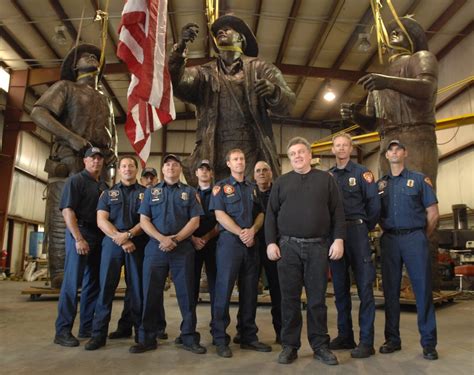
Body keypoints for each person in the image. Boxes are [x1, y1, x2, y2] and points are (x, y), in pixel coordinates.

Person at [340, 16, 440, 289]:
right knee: (387, 205)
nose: (392, 37)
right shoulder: (379, 80)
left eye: (398, 33)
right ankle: (395, 279)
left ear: (412, 37)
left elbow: (426, 87)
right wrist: (357, 116)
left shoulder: (421, 57)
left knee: (417, 203)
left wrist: (387, 81)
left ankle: (424, 280)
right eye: (390, 33)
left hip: (416, 136)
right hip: (387, 140)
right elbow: (374, 122)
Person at [168, 15, 295, 185]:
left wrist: (274, 91)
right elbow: (176, 82)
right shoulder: (204, 73)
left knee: (252, 199)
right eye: (219, 31)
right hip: (214, 149)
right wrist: (179, 50)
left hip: (252, 150)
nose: (221, 31)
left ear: (241, 38)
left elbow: (289, 103)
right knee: (214, 201)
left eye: (228, 29)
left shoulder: (261, 68)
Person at [31, 44, 117, 288]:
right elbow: (39, 113)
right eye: (84, 56)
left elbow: (110, 132)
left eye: (94, 55)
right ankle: (59, 270)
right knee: (63, 213)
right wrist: (71, 138)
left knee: (98, 213)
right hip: (69, 159)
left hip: (98, 164)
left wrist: (113, 154)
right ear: (74, 66)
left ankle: (91, 267)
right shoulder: (65, 87)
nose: (91, 57)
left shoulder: (105, 99)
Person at [265, 137, 345, 366]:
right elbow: (270, 215)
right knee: (289, 299)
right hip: (288, 247)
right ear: (289, 158)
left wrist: (338, 240)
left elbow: (338, 213)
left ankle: (320, 346)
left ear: (310, 155)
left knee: (317, 300)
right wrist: (271, 242)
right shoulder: (281, 182)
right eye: (293, 154)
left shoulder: (326, 180)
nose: (298, 156)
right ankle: (290, 346)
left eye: (301, 152)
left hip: (318, 247)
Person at [130, 154, 206, 354]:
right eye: (167, 165)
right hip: (156, 249)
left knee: (187, 293)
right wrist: (161, 239)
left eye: (175, 164)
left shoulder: (189, 192)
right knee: (150, 294)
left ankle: (188, 337)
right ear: (162, 170)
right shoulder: (151, 192)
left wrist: (176, 239)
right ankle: (147, 337)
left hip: (182, 250)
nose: (171, 167)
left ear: (180, 169)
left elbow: (195, 221)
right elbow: (144, 220)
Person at [377, 140, 439, 360]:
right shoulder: (380, 185)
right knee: (391, 292)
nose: (394, 152)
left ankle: (429, 344)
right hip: (390, 240)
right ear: (386, 156)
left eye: (398, 149)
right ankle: (392, 339)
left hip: (414, 238)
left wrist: (422, 236)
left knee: (422, 290)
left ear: (405, 153)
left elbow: (433, 213)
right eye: (390, 150)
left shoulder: (419, 180)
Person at [209, 149, 271, 358]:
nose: (239, 162)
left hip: (251, 243)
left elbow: (261, 213)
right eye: (235, 159)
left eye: (242, 159)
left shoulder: (252, 188)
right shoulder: (220, 187)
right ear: (228, 163)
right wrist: (241, 233)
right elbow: (219, 214)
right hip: (230, 243)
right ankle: (219, 338)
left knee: (250, 292)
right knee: (224, 290)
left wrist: (252, 231)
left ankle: (247, 336)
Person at [85, 156, 147, 350]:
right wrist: (120, 238)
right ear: (119, 170)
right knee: (106, 288)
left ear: (136, 169)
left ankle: (140, 334)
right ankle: (98, 335)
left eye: (131, 166)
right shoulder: (107, 194)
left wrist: (128, 235)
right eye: (124, 166)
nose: (127, 169)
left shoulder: (147, 194)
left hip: (137, 244)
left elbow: (147, 220)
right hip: (112, 244)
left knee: (137, 290)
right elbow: (101, 220)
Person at [328, 133, 380, 358]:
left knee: (365, 288)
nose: (341, 149)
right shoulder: (327, 176)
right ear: (332, 149)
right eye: (337, 146)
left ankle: (366, 341)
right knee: (340, 288)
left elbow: (374, 205)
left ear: (351, 148)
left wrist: (365, 227)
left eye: (345, 145)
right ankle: (345, 336)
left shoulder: (362, 174)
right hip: (335, 236)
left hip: (357, 231)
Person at [54, 147, 108, 347]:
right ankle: (62, 331)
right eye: (92, 158)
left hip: (98, 236)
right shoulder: (75, 181)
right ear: (85, 161)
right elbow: (67, 211)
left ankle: (86, 327)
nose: (96, 161)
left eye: (99, 158)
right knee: (71, 283)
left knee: (92, 284)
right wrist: (78, 238)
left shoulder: (103, 185)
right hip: (81, 233)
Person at [108, 167, 168, 341]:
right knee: (134, 289)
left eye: (152, 177)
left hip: (153, 247)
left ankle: (158, 326)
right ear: (142, 180)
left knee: (150, 290)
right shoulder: (139, 196)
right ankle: (126, 325)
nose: (149, 180)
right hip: (134, 244)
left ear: (157, 179)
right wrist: (125, 237)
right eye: (146, 178)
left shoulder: (162, 196)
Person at [253, 160, 282, 344]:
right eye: (258, 171)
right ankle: (246, 332)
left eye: (265, 170)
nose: (262, 173)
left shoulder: (279, 192)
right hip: (253, 247)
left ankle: (282, 332)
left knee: (278, 292)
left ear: (271, 173)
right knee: (248, 291)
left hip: (275, 247)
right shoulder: (249, 193)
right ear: (254, 175)